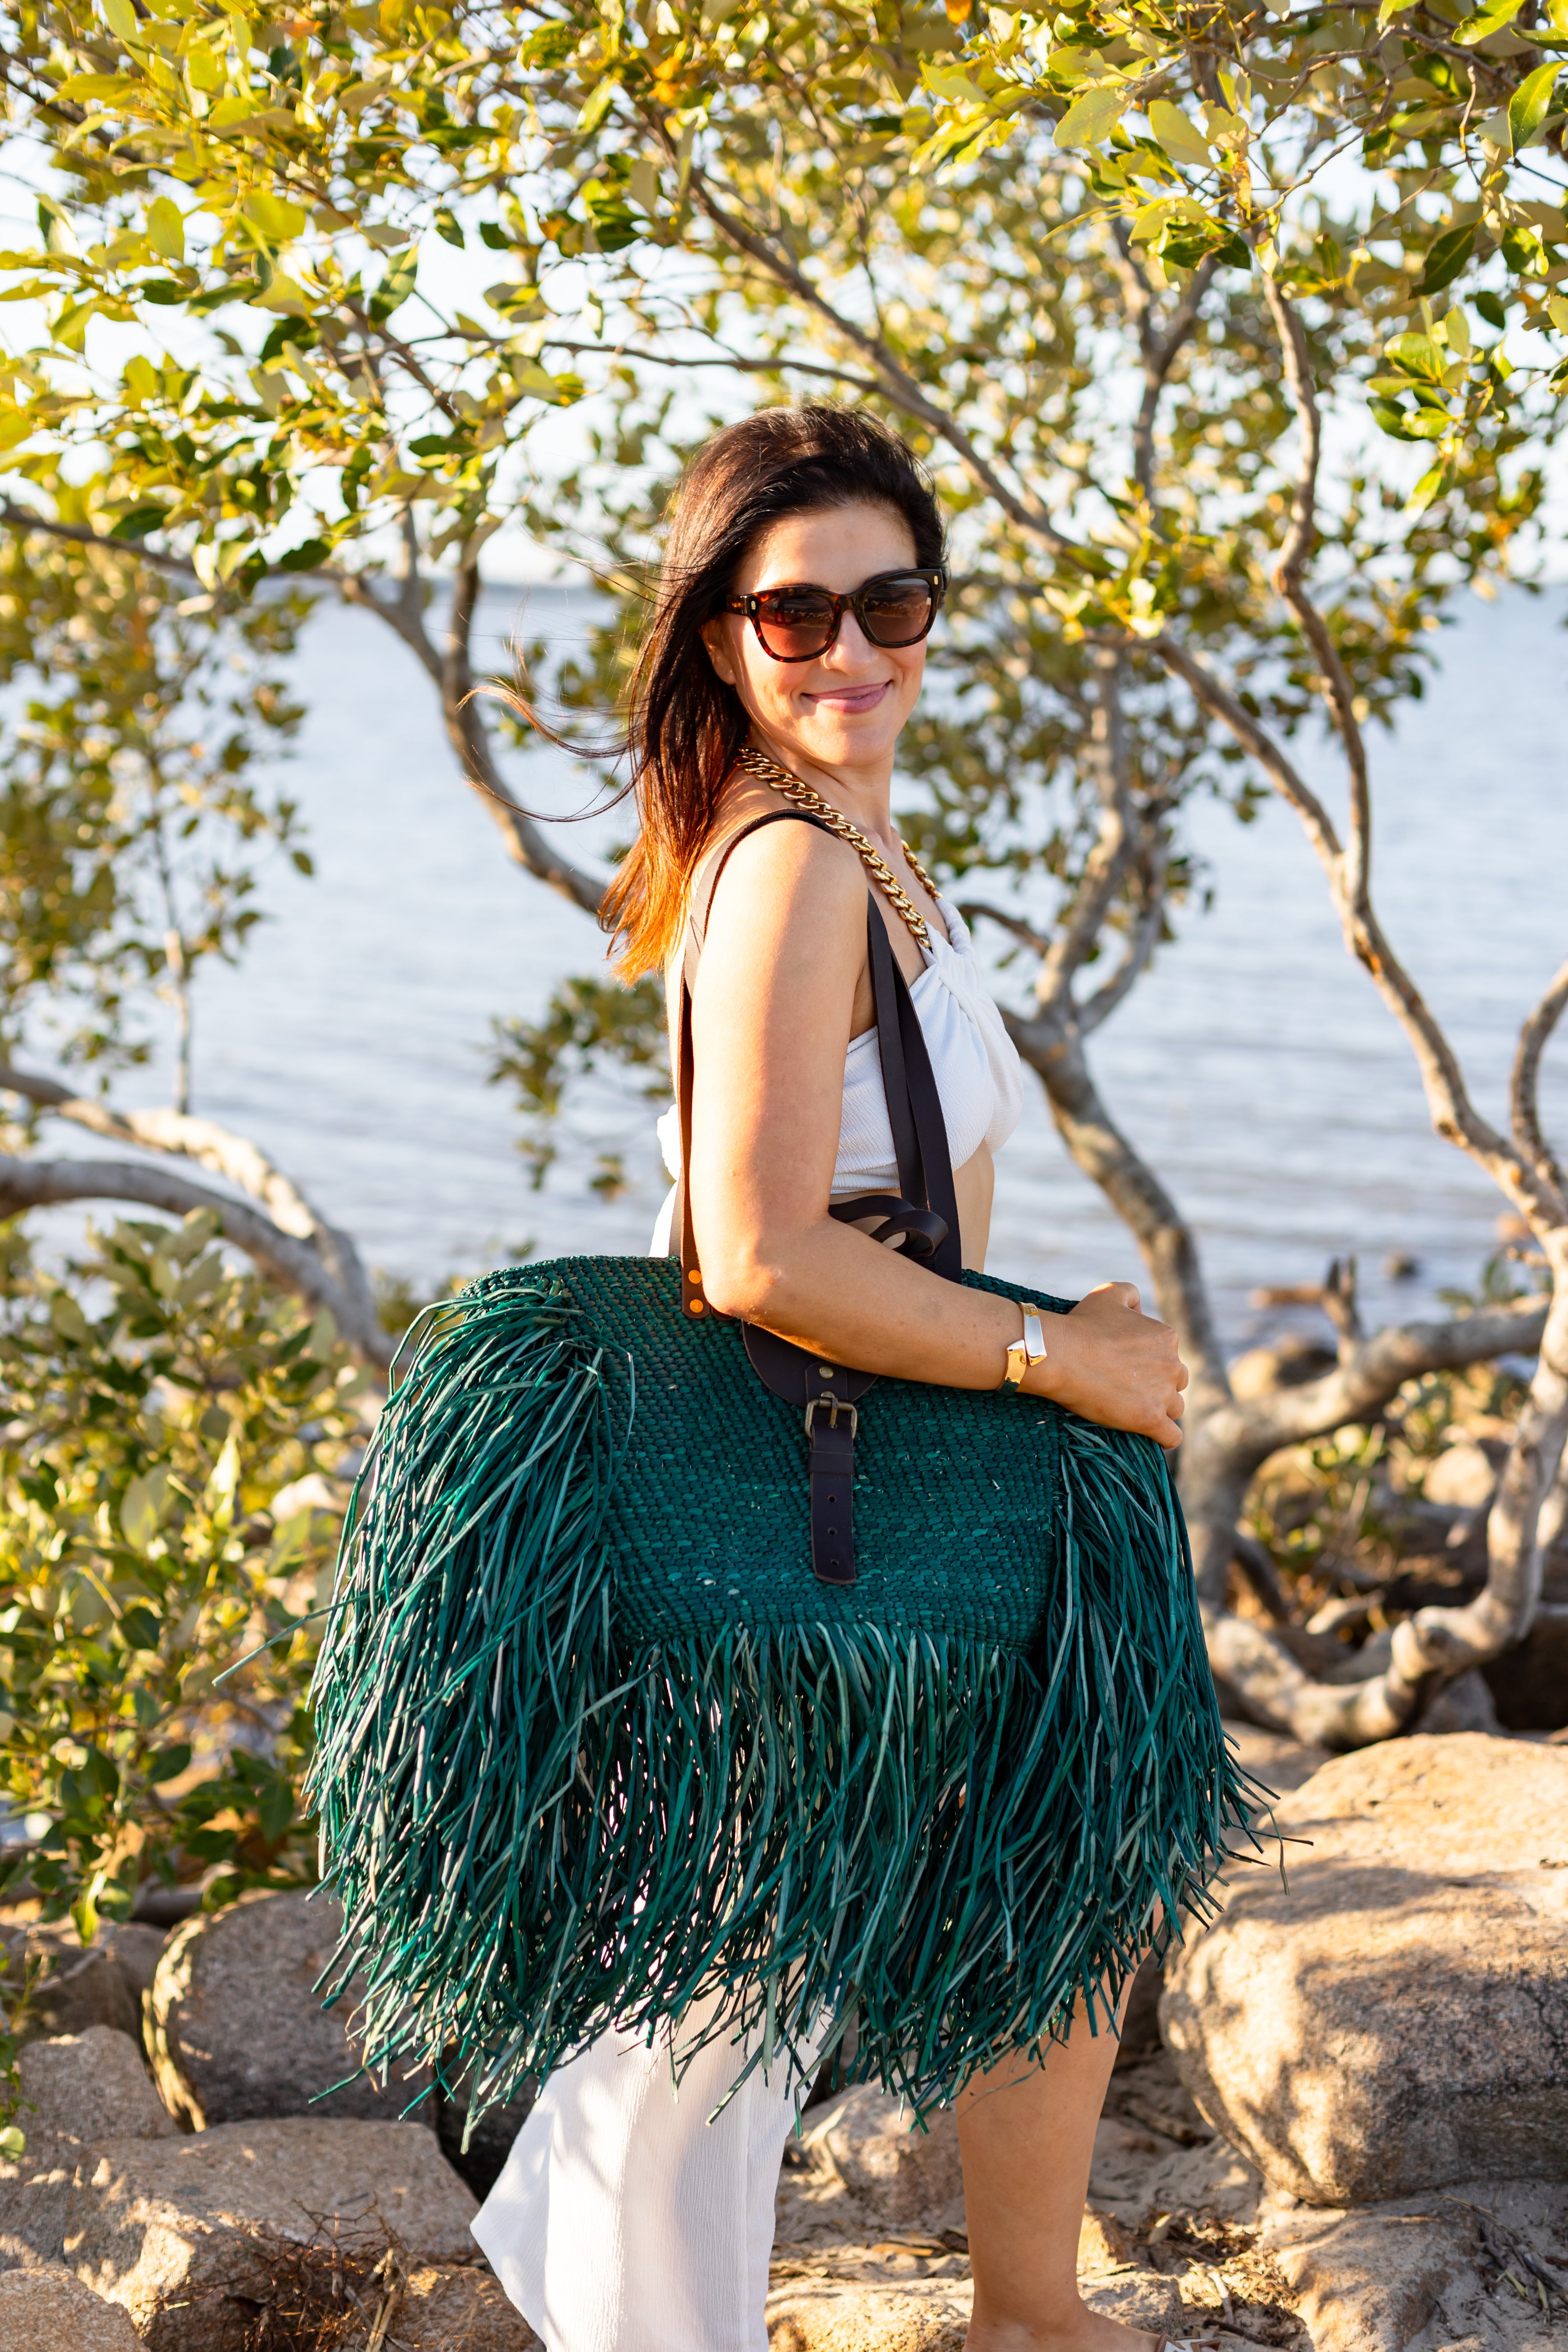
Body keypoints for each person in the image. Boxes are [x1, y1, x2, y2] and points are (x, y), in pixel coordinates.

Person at [472, 406, 1211, 2352]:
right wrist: (1058, 1354)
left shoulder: (868, 847)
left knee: (1025, 1863)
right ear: (723, 636)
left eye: (895, 598)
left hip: (876, 1444)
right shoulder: (795, 868)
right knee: (725, 1984)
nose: (853, 648)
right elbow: (759, 1251)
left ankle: (1027, 2311)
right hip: (806, 1468)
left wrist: (1056, 1331)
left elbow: (899, 1214)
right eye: (797, 614)